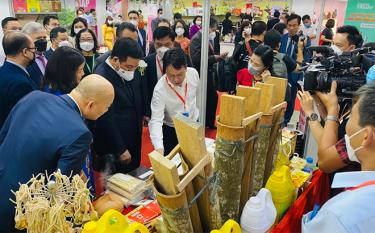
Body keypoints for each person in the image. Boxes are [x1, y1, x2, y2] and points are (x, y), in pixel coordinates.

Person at [0, 75, 114, 232]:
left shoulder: (34, 96)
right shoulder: (80, 133)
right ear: (91, 105)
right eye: (107, 106)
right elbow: (57, 190)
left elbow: (3, 136)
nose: (106, 111)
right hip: (22, 209)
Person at [302, 82, 375, 233]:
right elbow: (330, 136)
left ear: (366, 136)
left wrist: (328, 112)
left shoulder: (340, 216)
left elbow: (325, 157)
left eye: (352, 117)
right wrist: (326, 112)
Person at [297, 25, 363, 174]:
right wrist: (321, 107)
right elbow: (331, 132)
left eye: (338, 46)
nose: (333, 49)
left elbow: (327, 152)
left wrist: (311, 113)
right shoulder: (340, 91)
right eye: (333, 44)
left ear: (352, 49)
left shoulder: (360, 114)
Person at [93, 38, 146, 174]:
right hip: (115, 146)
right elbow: (106, 119)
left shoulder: (130, 69)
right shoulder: (102, 77)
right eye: (129, 67)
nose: (132, 71)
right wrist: (120, 149)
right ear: (115, 60)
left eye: (135, 67)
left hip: (133, 136)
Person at [149, 48, 200, 155]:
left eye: (180, 74)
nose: (176, 79)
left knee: (194, 159)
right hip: (172, 129)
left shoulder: (193, 74)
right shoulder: (160, 89)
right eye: (171, 75)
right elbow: (156, 120)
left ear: (186, 68)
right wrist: (159, 147)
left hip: (192, 124)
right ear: (165, 71)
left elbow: (198, 98)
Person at [190, 17, 228, 129]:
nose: (214, 32)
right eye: (214, 29)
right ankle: (204, 123)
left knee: (212, 97)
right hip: (201, 74)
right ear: (209, 27)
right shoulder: (197, 38)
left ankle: (208, 122)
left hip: (207, 73)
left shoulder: (205, 38)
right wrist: (215, 58)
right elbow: (197, 59)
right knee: (206, 98)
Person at [0, 32, 37, 129]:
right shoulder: (21, 84)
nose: (35, 52)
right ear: (25, 52)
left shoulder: (2, 70)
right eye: (33, 49)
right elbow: (25, 120)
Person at [280, 13, 311, 125]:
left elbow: (307, 59)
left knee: (291, 99)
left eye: (294, 25)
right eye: (289, 25)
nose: (291, 28)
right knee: (280, 98)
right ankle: (278, 119)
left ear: (299, 25)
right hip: (280, 73)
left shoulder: (304, 39)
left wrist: (300, 76)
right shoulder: (282, 38)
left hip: (294, 75)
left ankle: (286, 121)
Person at [143, 26, 176, 117]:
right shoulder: (146, 62)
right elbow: (144, 89)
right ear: (154, 43)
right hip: (155, 108)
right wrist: (146, 112)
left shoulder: (182, 59)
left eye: (167, 45)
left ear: (173, 43)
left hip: (176, 107)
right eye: (159, 44)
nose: (162, 48)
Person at [22, 22, 49, 88]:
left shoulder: (50, 55)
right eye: (39, 38)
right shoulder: (23, 61)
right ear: (27, 39)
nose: (43, 40)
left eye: (44, 37)